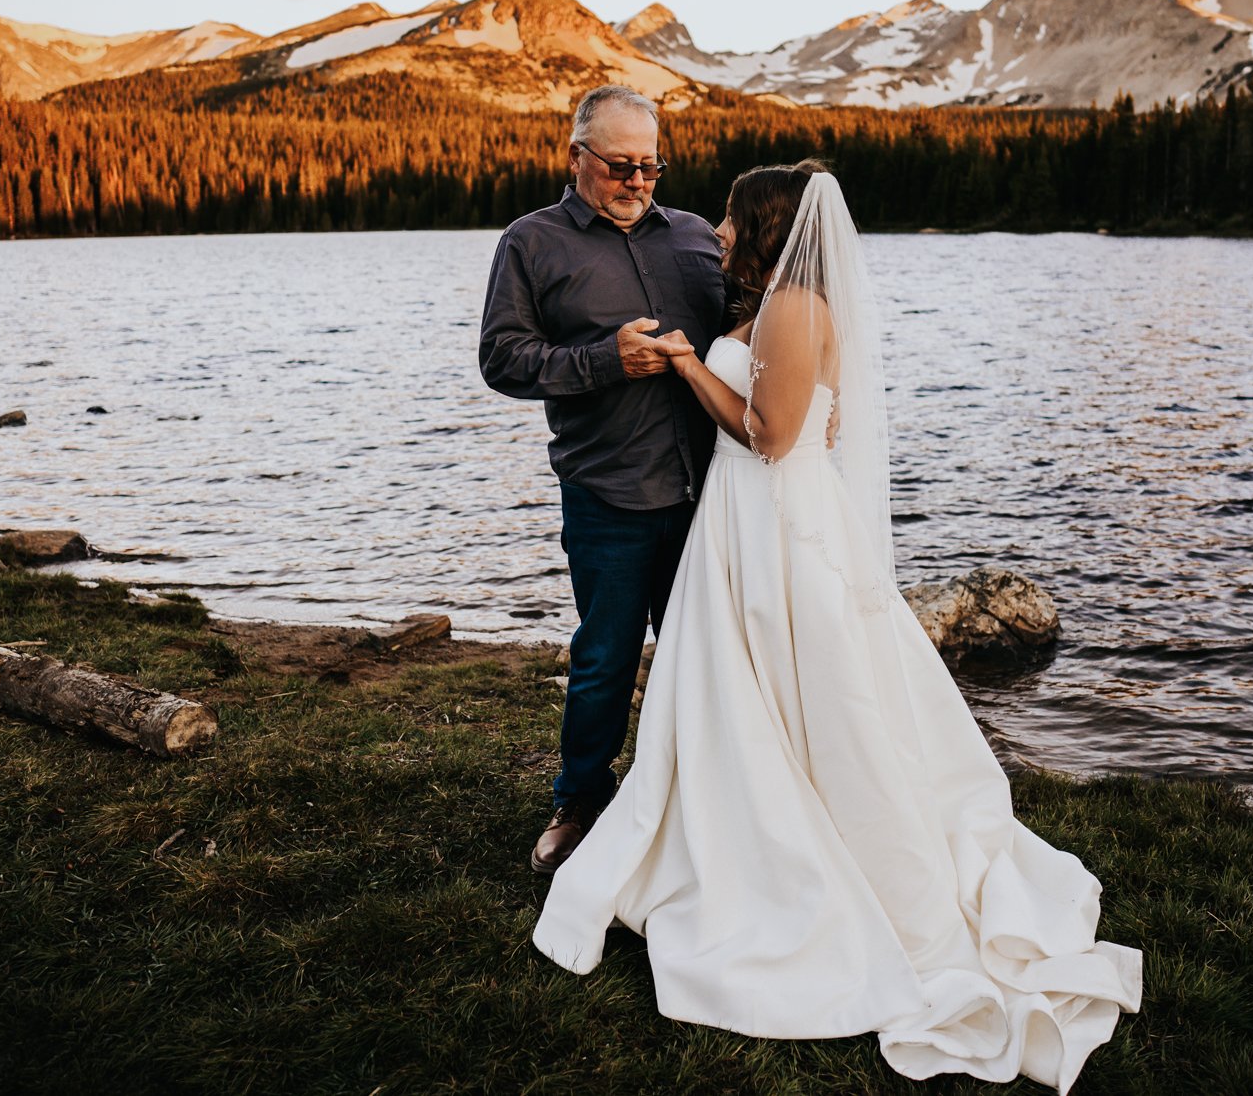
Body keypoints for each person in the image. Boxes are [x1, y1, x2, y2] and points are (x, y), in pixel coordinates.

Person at [530, 161, 1145, 1090]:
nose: (721, 231)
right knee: (758, 686)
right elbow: (825, 417)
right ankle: (731, 819)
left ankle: (797, 851)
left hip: (770, 514)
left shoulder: (789, 308)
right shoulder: (784, 303)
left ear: (767, 225)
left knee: (795, 685)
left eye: (733, 218)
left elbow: (771, 436)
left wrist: (693, 362)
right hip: (752, 514)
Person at [477, 84, 727, 874]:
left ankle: (707, 803)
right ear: (577, 156)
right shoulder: (532, 242)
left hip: (712, 497)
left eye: (652, 165)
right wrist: (601, 361)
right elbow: (502, 359)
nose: (639, 181)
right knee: (605, 660)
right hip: (608, 494)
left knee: (710, 657)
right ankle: (580, 801)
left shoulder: (693, 236)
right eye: (622, 165)